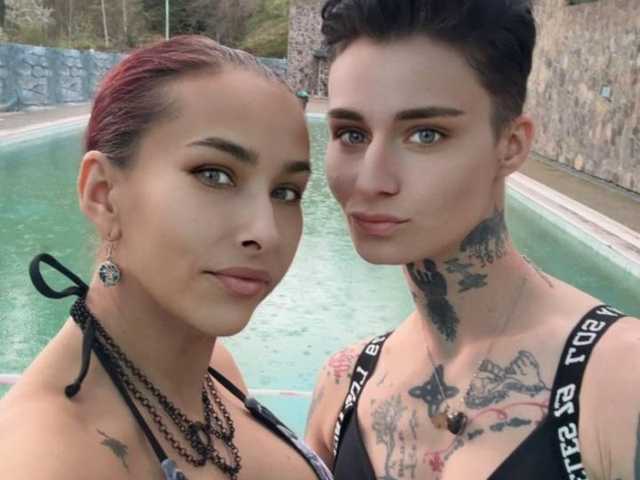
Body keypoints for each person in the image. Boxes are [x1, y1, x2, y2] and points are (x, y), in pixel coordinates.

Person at [304, 1, 640, 479]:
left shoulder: (619, 382)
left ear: (512, 145)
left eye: (426, 134)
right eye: (352, 134)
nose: (371, 180)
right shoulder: (342, 388)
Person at [0, 35, 332, 480]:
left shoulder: (213, 370)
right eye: (214, 175)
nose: (266, 232)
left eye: (286, 192)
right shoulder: (44, 461)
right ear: (103, 195)